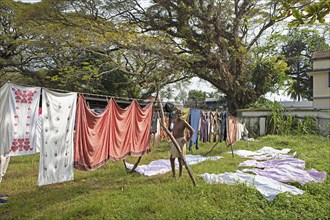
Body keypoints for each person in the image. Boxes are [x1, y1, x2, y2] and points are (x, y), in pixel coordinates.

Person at [169, 107, 194, 177]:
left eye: (181, 113)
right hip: (174, 141)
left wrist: (187, 140)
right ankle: (174, 174)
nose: (179, 114)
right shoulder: (174, 121)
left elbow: (192, 131)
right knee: (171, 158)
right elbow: (172, 130)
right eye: (178, 113)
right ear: (176, 114)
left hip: (181, 140)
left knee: (180, 158)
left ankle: (180, 175)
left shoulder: (184, 122)